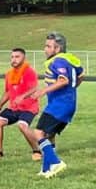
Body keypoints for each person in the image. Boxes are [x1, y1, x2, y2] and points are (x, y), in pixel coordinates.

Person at [18, 32, 83, 179]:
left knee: (38, 133)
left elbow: (63, 80)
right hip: (68, 104)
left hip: (59, 105)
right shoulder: (70, 60)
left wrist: (43, 91)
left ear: (57, 48)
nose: (45, 49)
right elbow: (81, 75)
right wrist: (72, 91)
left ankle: (56, 162)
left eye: (48, 46)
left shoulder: (58, 61)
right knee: (50, 135)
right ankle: (46, 169)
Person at [0, 47, 41, 160]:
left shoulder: (29, 72)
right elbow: (8, 92)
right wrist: (0, 105)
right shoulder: (9, 74)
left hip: (29, 108)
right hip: (13, 108)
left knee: (22, 125)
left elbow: (34, 88)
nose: (14, 59)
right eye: (12, 57)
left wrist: (22, 96)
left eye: (17, 57)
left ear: (24, 58)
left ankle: (37, 151)